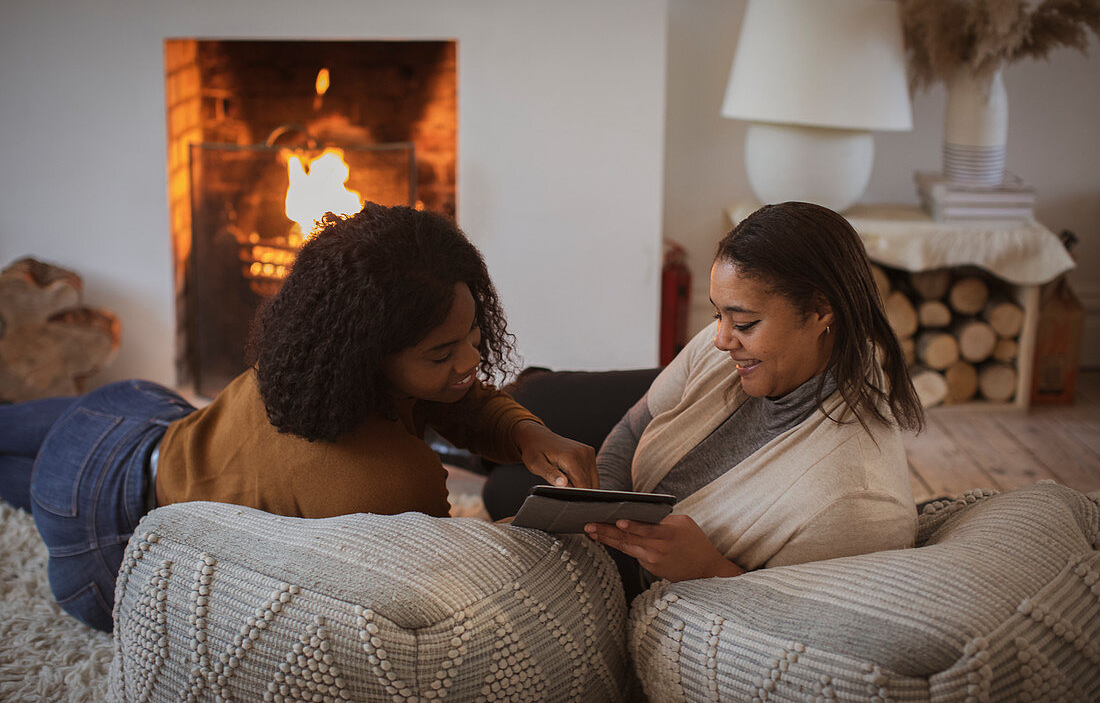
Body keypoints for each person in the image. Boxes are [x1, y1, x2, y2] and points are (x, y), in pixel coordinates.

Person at [0, 203, 597, 632]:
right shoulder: (388, 480)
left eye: (472, 334)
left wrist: (527, 432)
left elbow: (458, 399)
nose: (472, 360)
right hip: (103, 535)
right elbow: (439, 587)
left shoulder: (310, 362)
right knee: (45, 482)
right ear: (365, 354)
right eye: (442, 353)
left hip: (128, 415)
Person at [584, 201, 924, 594]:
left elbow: (786, 628)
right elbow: (630, 429)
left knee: (508, 486)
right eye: (718, 316)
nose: (721, 340)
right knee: (534, 402)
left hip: (657, 583)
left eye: (744, 323)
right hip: (638, 496)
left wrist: (710, 569)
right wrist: (595, 515)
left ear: (820, 311)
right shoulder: (738, 345)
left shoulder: (852, 508)